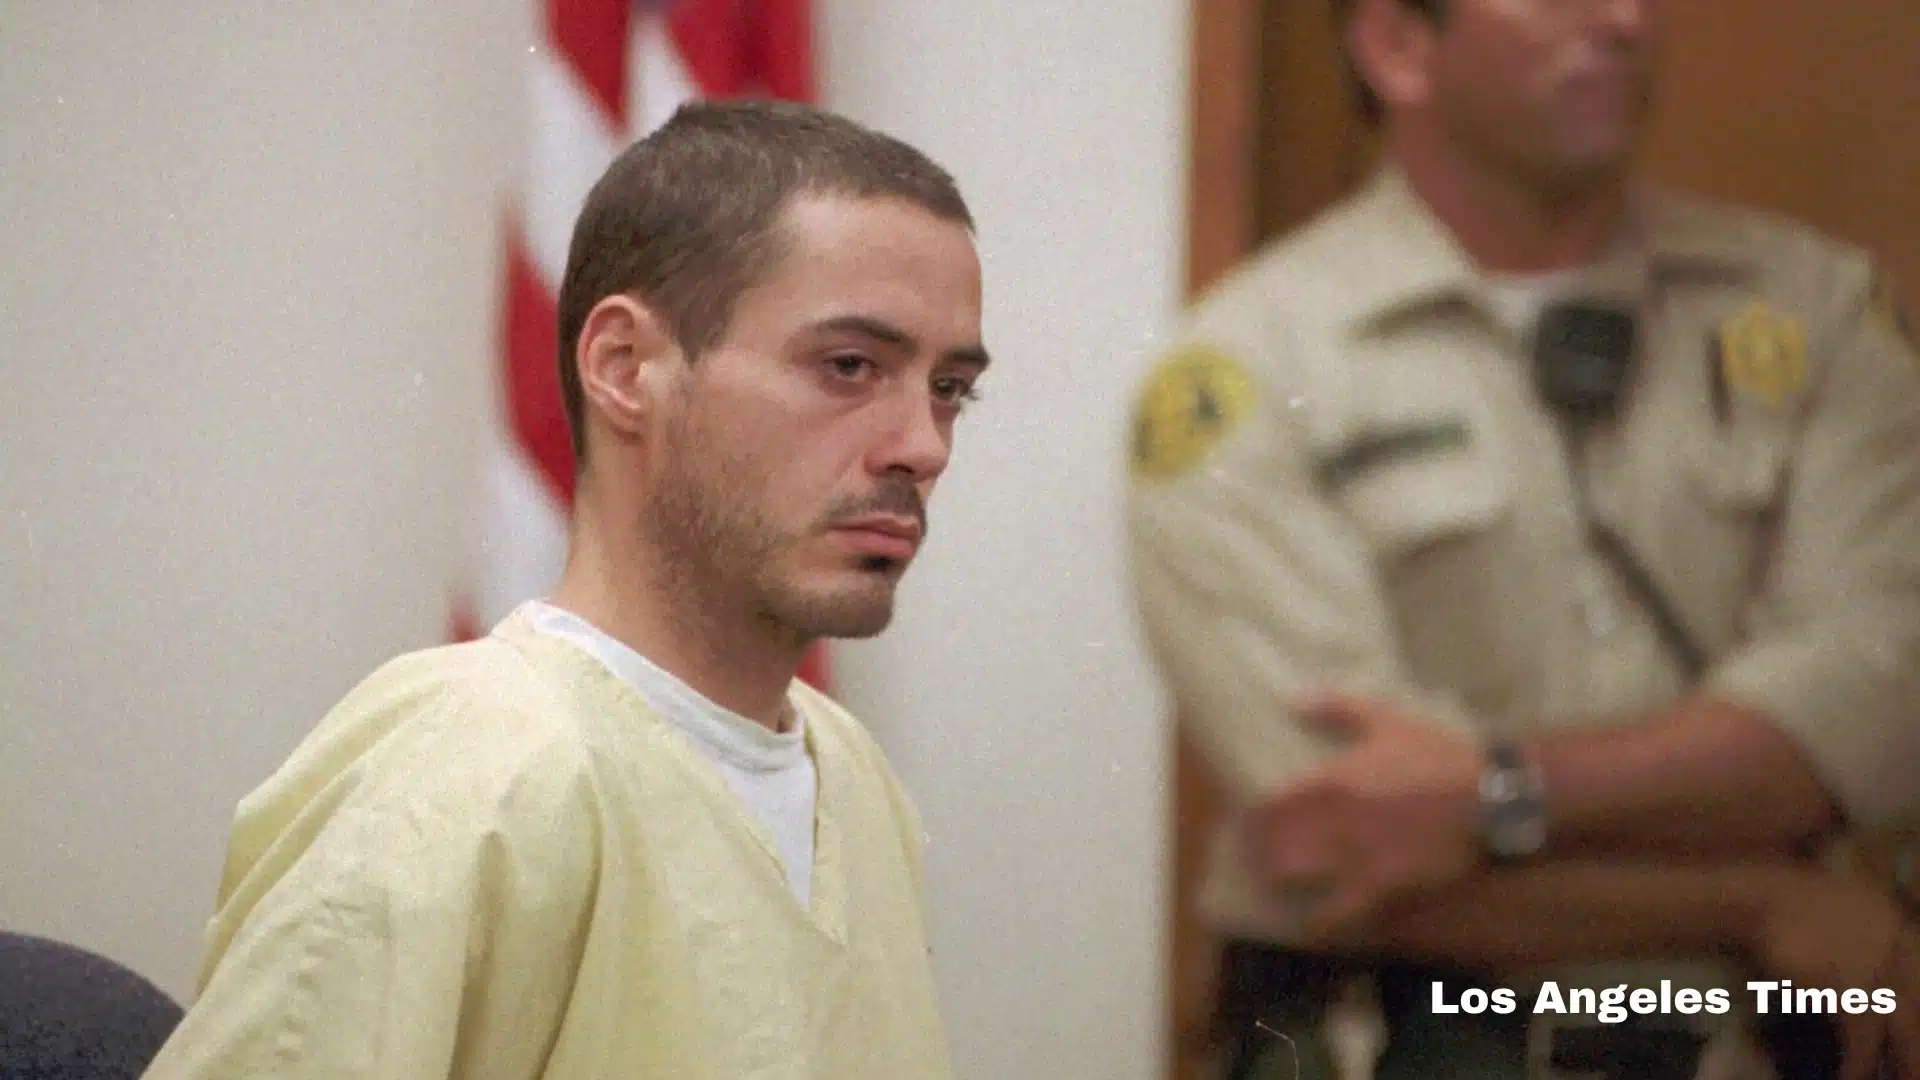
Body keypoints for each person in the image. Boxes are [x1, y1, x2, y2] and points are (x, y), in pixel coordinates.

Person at [1123, 0, 1920, 1077]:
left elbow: (1870, 702)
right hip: (1410, 1038)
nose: (1627, 19)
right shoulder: (1248, 370)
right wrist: (1762, 898)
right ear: (1400, 46)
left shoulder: (1817, 310)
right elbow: (1341, 838)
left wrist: (1491, 790)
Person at [144, 99, 989, 1080]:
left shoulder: (851, 773)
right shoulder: (470, 772)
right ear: (626, 368)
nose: (923, 446)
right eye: (850, 366)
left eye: (949, 389)